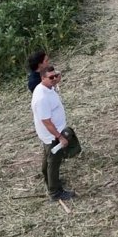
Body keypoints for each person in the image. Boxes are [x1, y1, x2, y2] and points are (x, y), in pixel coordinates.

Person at [31, 65, 73, 201]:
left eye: (56, 76)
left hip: (50, 135)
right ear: (42, 78)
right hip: (52, 136)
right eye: (51, 77)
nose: (55, 79)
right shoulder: (42, 98)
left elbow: (53, 82)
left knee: (48, 160)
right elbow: (47, 122)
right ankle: (55, 192)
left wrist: (55, 79)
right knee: (53, 163)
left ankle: (49, 181)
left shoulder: (46, 88)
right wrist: (60, 137)